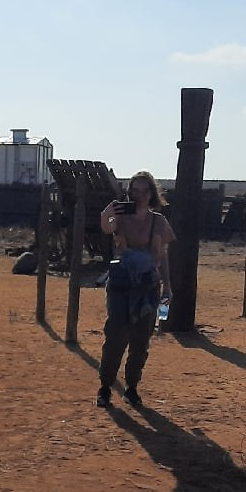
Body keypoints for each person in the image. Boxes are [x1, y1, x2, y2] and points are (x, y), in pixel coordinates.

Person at [96, 170, 173, 407]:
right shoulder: (121, 217)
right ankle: (105, 386)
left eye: (144, 191)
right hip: (121, 285)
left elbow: (163, 255)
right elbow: (107, 227)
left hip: (148, 286)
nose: (139, 196)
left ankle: (131, 387)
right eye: (135, 191)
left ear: (152, 193)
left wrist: (167, 286)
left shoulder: (158, 221)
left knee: (141, 340)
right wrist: (107, 213)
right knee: (116, 336)